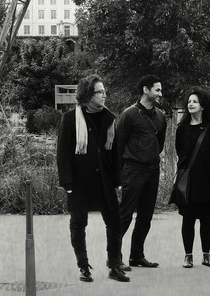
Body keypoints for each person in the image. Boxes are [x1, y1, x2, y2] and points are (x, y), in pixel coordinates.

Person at [56, 74, 129, 283]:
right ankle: (83, 266)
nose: (104, 95)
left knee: (114, 222)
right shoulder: (70, 119)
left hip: (104, 180)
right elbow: (63, 153)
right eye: (99, 91)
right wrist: (67, 182)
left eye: (104, 91)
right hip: (80, 181)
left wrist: (117, 180)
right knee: (78, 224)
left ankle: (115, 266)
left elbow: (115, 153)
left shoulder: (109, 118)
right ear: (88, 94)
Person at [117, 75, 167, 269]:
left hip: (152, 170)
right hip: (133, 170)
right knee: (125, 215)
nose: (160, 93)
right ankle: (115, 257)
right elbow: (119, 145)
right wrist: (119, 175)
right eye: (157, 90)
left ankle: (136, 255)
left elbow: (160, 142)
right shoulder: (129, 114)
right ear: (146, 90)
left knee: (145, 217)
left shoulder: (160, 116)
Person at [174, 87, 210, 269]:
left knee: (206, 218)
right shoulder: (182, 128)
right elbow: (179, 150)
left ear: (203, 105)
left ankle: (206, 255)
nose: (191, 104)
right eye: (189, 101)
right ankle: (188, 256)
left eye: (195, 101)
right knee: (187, 219)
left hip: (208, 179)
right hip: (188, 181)